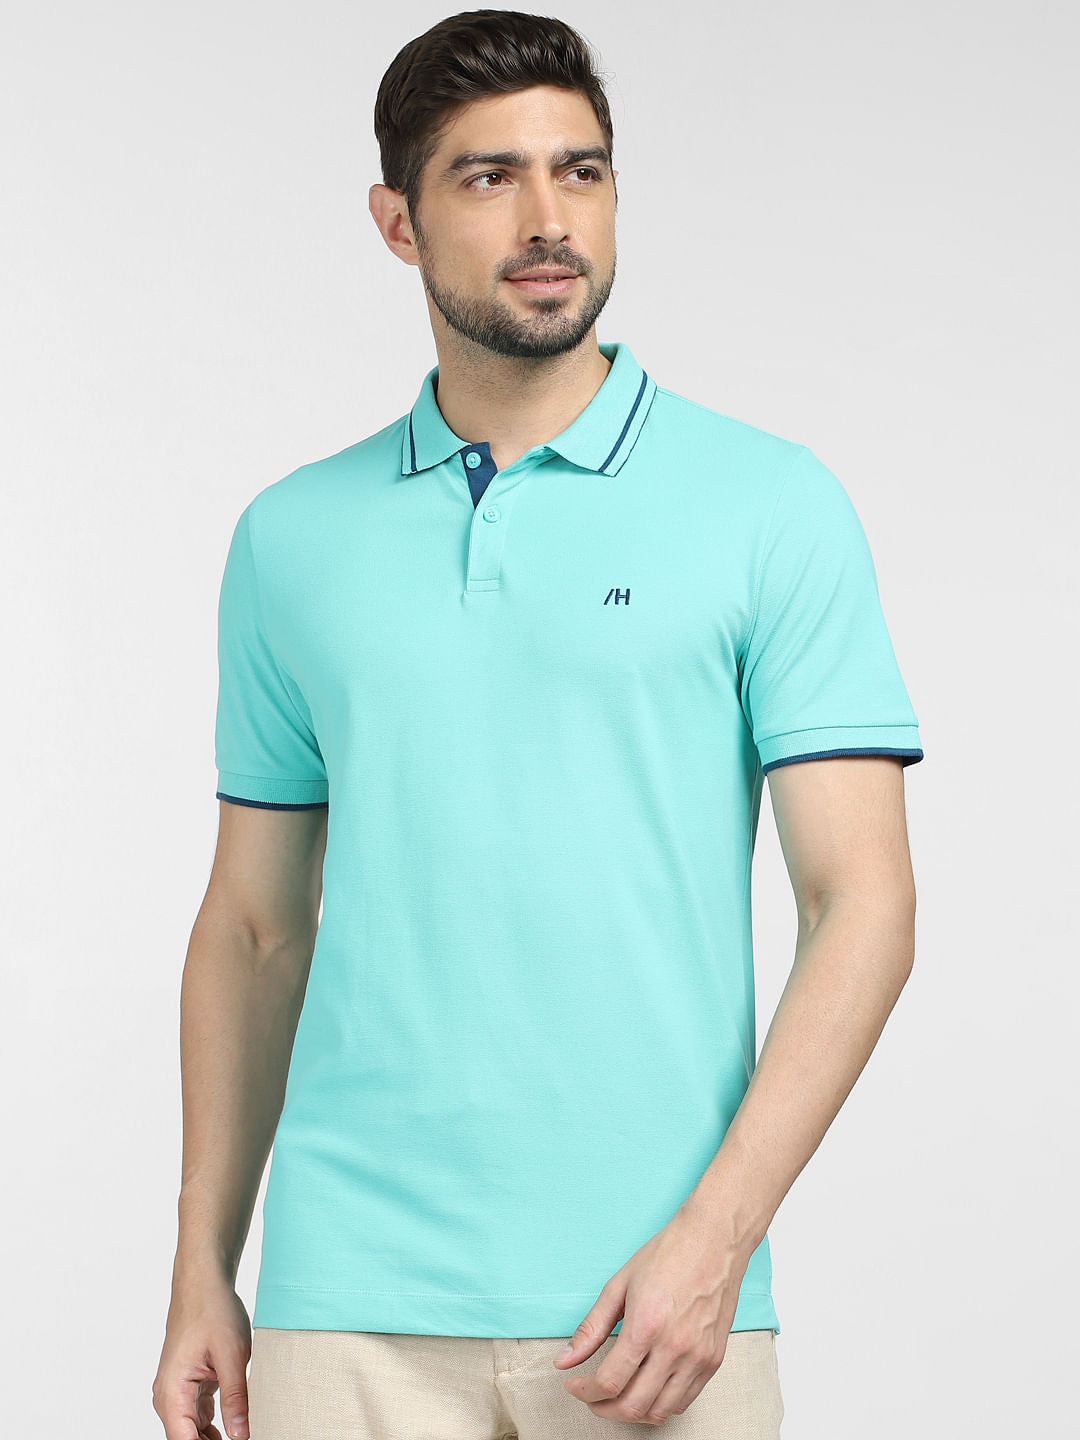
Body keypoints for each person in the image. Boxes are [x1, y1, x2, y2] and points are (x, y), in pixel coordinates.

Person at [153, 10, 925, 1438]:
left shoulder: (770, 504)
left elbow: (862, 904)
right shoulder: (291, 538)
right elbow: (254, 929)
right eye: (489, 176)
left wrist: (718, 1243)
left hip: (656, 1308)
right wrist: (203, 1261)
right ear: (397, 223)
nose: (549, 219)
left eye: (581, 171)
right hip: (346, 1309)